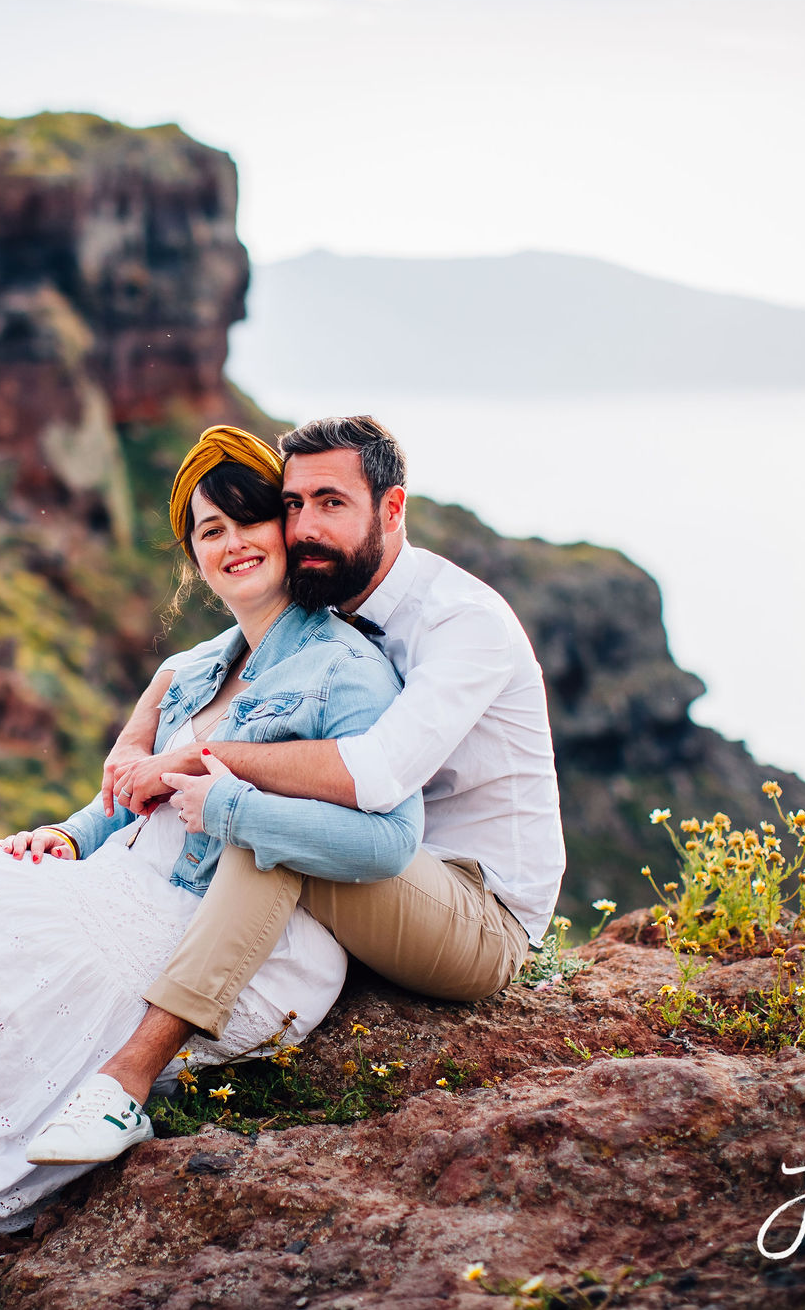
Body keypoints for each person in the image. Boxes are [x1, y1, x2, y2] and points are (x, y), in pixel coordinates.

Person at [0, 425, 421, 1249]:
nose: (233, 543)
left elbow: (382, 838)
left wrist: (226, 803)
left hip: (242, 932)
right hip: (128, 879)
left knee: (2, 954)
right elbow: (128, 798)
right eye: (210, 530)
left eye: (249, 518)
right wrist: (68, 832)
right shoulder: (197, 665)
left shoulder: (346, 669)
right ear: (192, 554)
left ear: (287, 528)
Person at [28, 414, 564, 1165]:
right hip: (381, 875)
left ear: (392, 508)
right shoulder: (332, 595)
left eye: (332, 502)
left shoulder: (461, 623)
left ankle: (126, 1082)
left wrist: (195, 761)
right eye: (294, 504)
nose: (306, 525)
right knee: (269, 816)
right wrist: (145, 722)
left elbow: (372, 774)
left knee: (269, 831)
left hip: (479, 911)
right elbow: (228, 654)